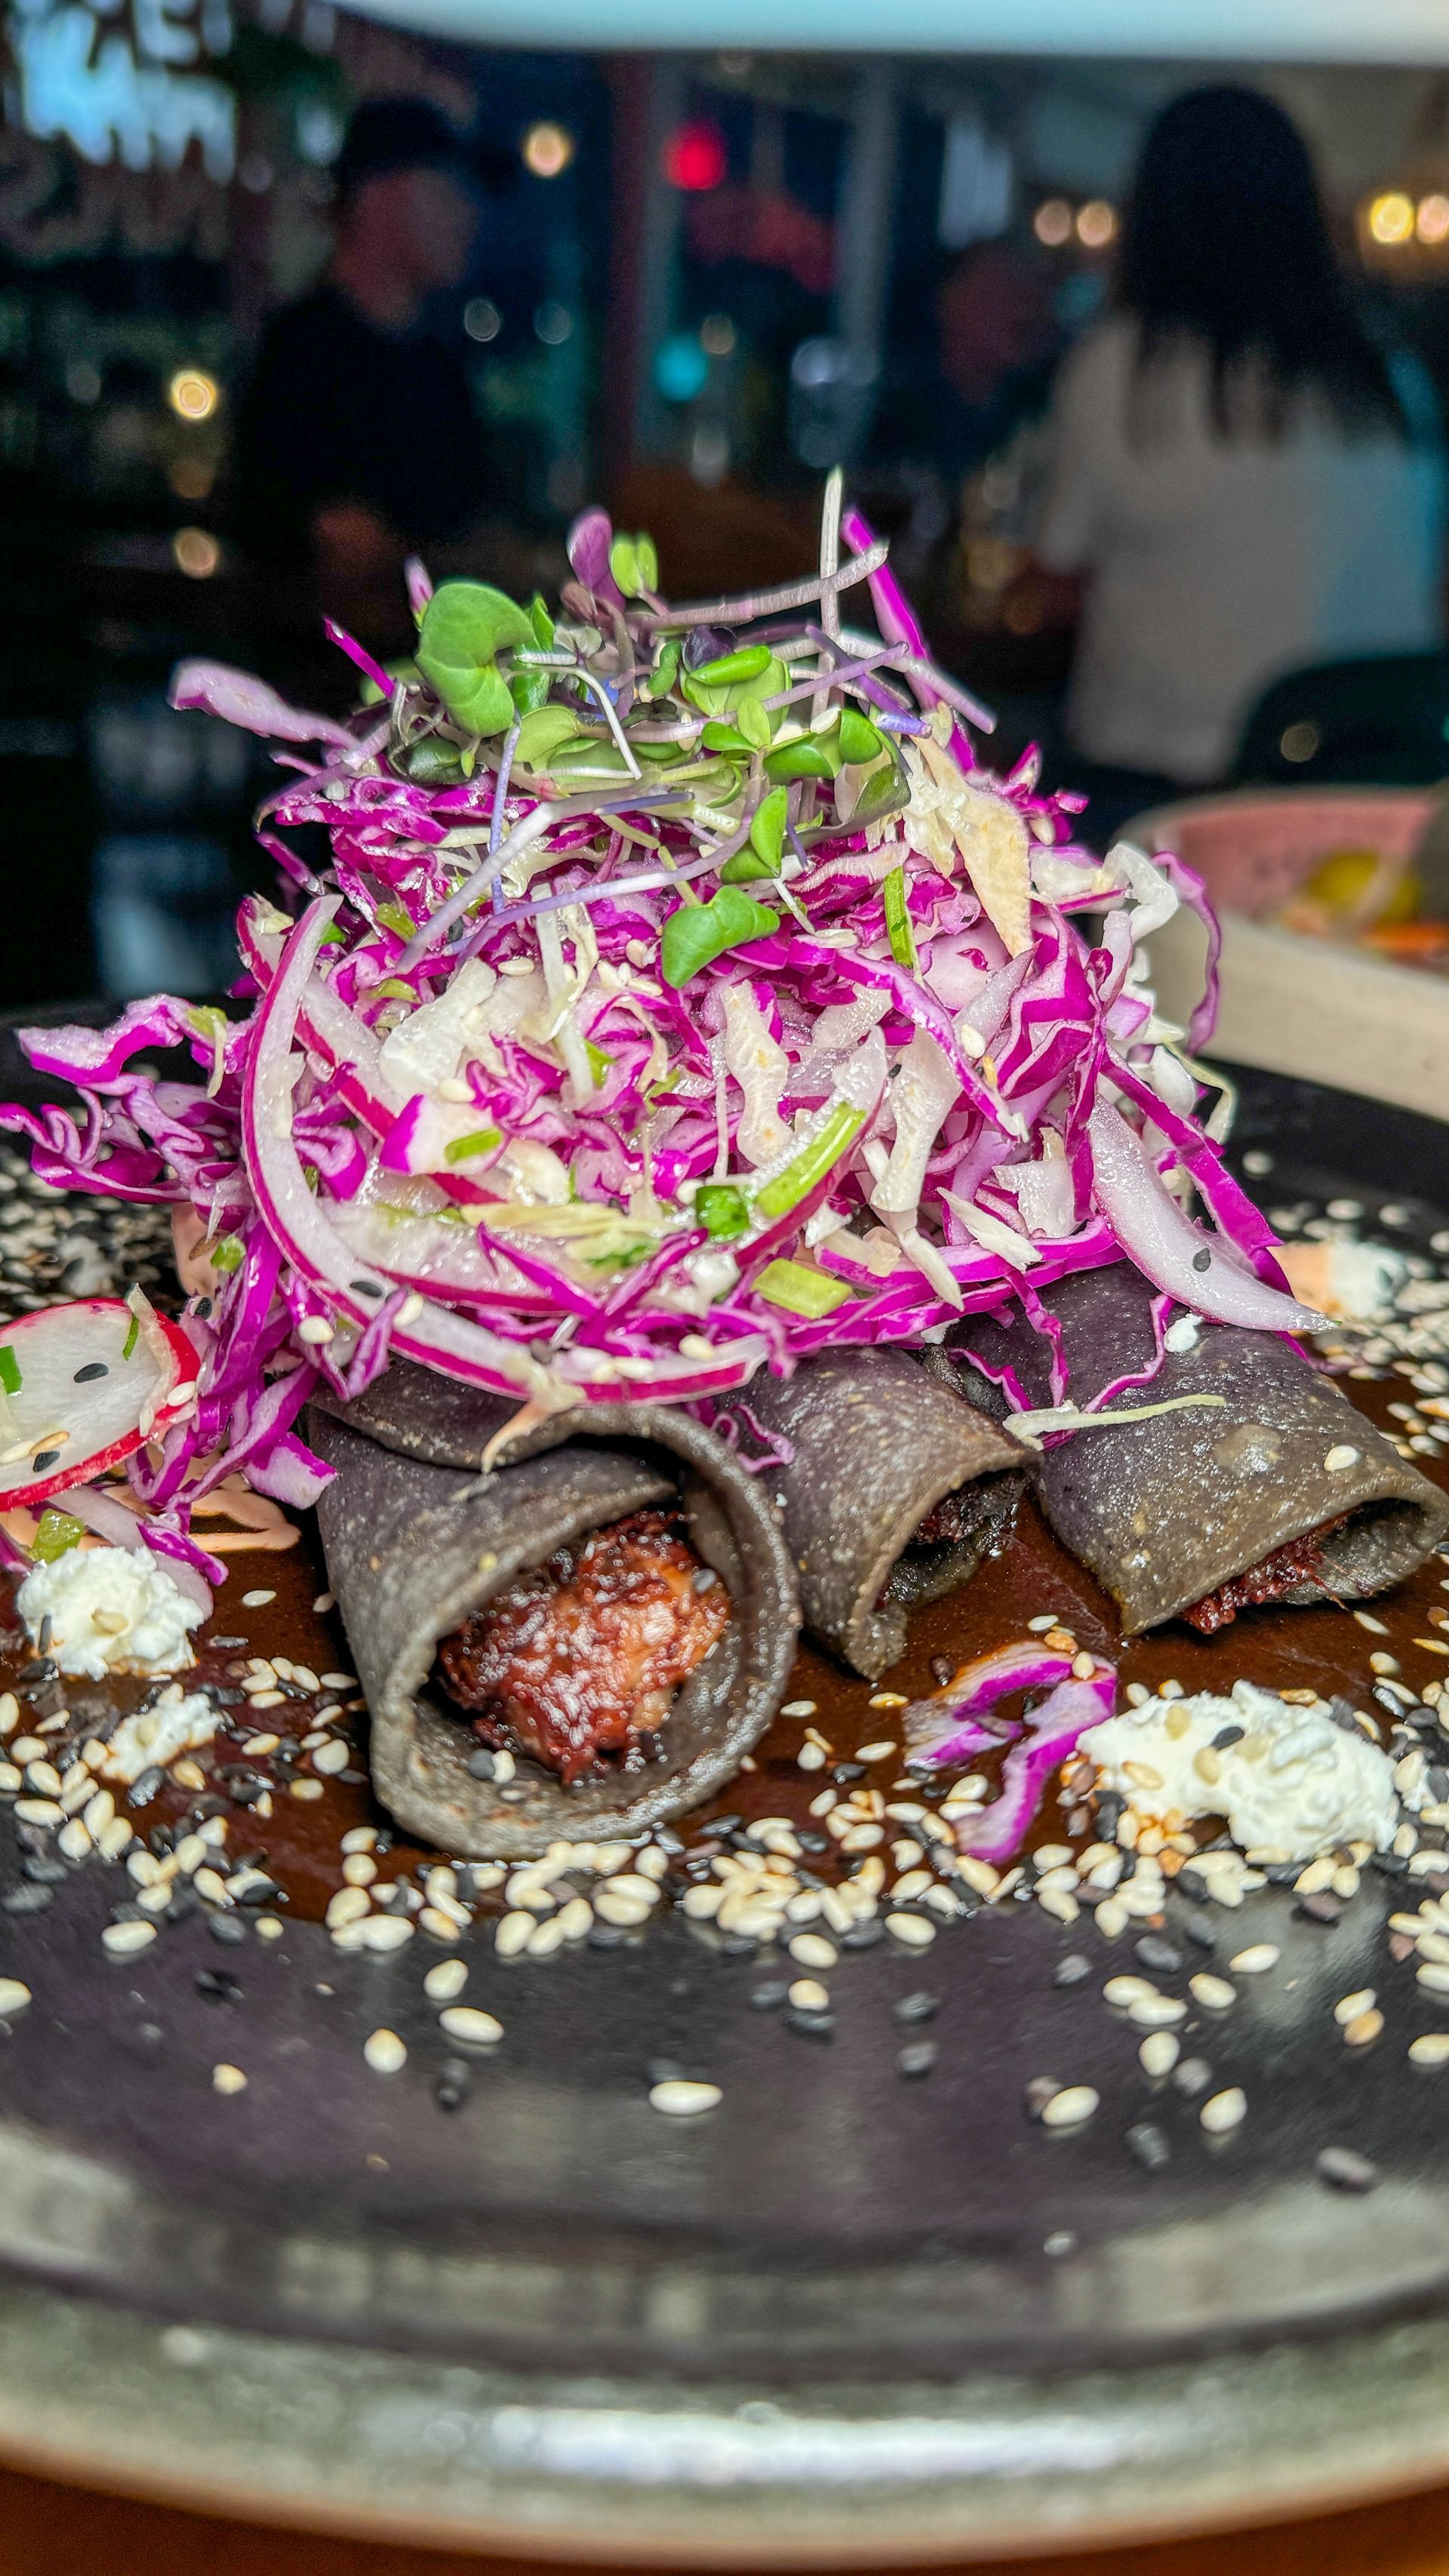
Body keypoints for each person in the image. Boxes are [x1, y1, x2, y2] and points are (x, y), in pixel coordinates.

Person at [1033, 85, 1446, 834]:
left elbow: (1055, 581)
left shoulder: (1121, 370)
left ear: (1152, 212)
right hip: (1378, 802)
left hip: (1167, 808)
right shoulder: (1390, 380)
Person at [232, 98, 488, 598]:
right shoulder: (301, 355)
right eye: (444, 191)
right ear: (376, 200)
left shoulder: (444, 366)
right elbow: (278, 527)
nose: (466, 216)